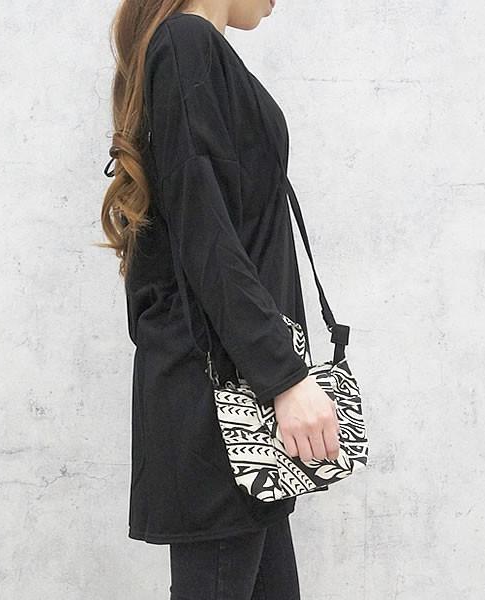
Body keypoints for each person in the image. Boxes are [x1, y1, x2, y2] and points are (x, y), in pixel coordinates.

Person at [100, 1, 340, 597]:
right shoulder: (185, 44)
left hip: (238, 399)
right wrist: (285, 377)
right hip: (221, 400)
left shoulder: (191, 50)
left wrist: (279, 375)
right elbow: (205, 231)